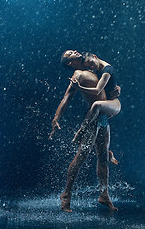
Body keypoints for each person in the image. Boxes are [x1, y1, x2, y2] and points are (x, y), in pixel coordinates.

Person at [49, 50, 120, 212]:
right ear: (69, 62)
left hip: (103, 118)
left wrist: (117, 91)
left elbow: (108, 89)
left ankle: (104, 195)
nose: (74, 51)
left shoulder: (93, 68)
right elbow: (66, 97)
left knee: (103, 157)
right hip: (92, 121)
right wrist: (56, 118)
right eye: (70, 53)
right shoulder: (78, 74)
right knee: (81, 157)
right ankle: (66, 194)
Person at [70, 52, 121, 145]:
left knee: (96, 105)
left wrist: (79, 87)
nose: (92, 67)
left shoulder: (107, 70)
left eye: (91, 63)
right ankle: (110, 157)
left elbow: (97, 90)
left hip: (114, 103)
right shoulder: (97, 69)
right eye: (89, 66)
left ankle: (81, 131)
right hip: (106, 105)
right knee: (101, 147)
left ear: (95, 56)